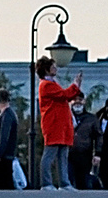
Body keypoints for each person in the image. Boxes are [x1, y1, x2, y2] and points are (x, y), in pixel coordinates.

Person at [34, 56, 83, 189]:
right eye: (53, 67)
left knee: (63, 154)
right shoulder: (46, 85)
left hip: (60, 125)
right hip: (54, 124)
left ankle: (64, 182)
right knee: (50, 154)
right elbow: (65, 95)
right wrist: (75, 85)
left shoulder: (52, 84)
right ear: (46, 69)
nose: (55, 69)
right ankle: (46, 183)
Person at [69, 96, 102, 190]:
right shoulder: (66, 117)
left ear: (84, 101)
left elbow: (99, 136)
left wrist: (98, 154)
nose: (77, 102)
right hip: (68, 153)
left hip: (85, 154)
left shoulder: (91, 118)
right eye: (74, 100)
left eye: (80, 100)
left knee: (83, 182)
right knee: (69, 180)